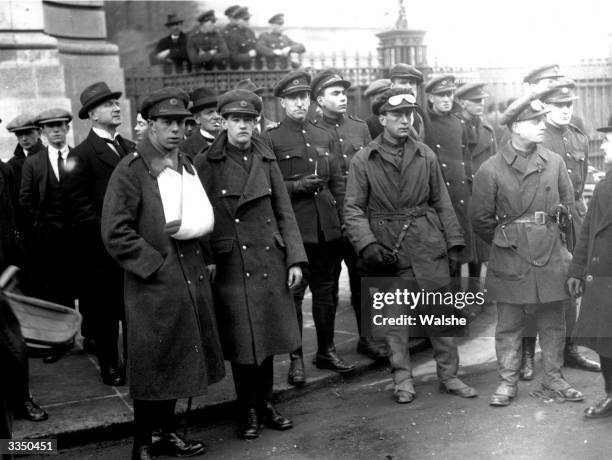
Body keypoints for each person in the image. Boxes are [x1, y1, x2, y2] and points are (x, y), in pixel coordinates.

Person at [102, 87, 225, 459]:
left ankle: (168, 434)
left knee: (179, 361)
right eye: (167, 123)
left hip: (188, 279)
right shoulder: (131, 169)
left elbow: (195, 218)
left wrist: (205, 259)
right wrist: (155, 265)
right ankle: (142, 443)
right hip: (152, 286)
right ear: (150, 125)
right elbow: (115, 231)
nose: (176, 129)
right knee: (152, 365)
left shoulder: (185, 163)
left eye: (181, 123)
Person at [344, 87, 477, 403]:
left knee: (440, 314)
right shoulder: (364, 159)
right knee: (395, 319)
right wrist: (368, 245)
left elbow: (441, 201)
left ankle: (450, 376)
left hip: (428, 241)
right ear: (382, 118)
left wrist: (454, 243)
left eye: (409, 114)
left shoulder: (425, 154)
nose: (405, 120)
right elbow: (352, 208)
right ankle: (402, 379)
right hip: (389, 247)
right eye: (397, 115)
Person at [196, 89, 307, 440]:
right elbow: (200, 216)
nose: (243, 126)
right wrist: (209, 258)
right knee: (244, 342)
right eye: (236, 120)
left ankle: (267, 403)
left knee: (270, 333)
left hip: (269, 258)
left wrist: (295, 259)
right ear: (223, 122)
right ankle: (246, 409)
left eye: (249, 120)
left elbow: (284, 211)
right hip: (232, 263)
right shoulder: (206, 162)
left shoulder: (265, 156)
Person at [471, 92, 583, 407]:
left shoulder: (555, 162)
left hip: (550, 250)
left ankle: (555, 378)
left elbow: (569, 207)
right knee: (508, 323)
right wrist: (508, 238)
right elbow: (480, 220)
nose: (541, 126)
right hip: (511, 254)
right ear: (517, 127)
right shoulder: (491, 169)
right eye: (534, 121)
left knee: (553, 320)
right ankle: (507, 382)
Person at [263, 71, 353, 384]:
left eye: (304, 97)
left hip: (327, 228)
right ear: (283, 103)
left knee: (326, 293)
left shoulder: (322, 135)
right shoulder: (271, 139)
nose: (300, 103)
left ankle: (326, 350)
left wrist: (342, 221)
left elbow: (338, 182)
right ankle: (296, 358)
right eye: (293, 98)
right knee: (294, 296)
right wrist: (296, 185)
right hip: (297, 232)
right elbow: (268, 189)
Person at [520, 79, 600, 378]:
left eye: (569, 105)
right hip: (543, 222)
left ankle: (569, 350)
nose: (566, 110)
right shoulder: (536, 138)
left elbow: (578, 188)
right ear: (545, 106)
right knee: (533, 288)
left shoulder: (579, 137)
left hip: (574, 219)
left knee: (571, 284)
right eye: (559, 105)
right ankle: (527, 355)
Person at [64, 81, 135, 387]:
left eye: (116, 103)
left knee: (134, 310)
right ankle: (110, 365)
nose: (116, 107)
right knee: (106, 313)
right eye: (108, 105)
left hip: (135, 247)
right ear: (92, 114)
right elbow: (79, 210)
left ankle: (136, 364)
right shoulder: (80, 155)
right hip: (102, 251)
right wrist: (113, 236)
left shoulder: (130, 148)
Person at [309, 69, 383, 359]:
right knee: (325, 287)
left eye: (344, 93)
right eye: (335, 94)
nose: (342, 98)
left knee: (362, 280)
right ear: (319, 100)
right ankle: (325, 349)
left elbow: (370, 175)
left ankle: (367, 339)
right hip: (327, 223)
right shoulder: (310, 130)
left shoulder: (359, 128)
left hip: (358, 220)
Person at [568, 124, 612, 418]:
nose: (605, 147)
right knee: (605, 341)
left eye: (610, 141)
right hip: (602, 276)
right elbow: (587, 231)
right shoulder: (604, 184)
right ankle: (611, 394)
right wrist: (577, 269)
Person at [20, 109, 76, 315]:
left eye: (60, 126)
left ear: (67, 128)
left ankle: (89, 334)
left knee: (84, 283)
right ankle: (63, 335)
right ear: (43, 132)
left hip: (78, 233)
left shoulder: (79, 156)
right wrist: (39, 224)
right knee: (57, 286)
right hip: (49, 236)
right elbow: (25, 199)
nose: (56, 131)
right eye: (50, 128)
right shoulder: (33, 162)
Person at [424, 75, 473, 288]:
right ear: (431, 97)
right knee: (439, 258)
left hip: (459, 199)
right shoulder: (424, 122)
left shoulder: (458, 123)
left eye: (449, 94)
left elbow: (465, 158)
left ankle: (456, 305)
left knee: (458, 255)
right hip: (437, 198)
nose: (446, 99)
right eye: (441, 95)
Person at [454, 82, 497, 311]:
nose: (480, 105)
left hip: (481, 191)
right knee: (463, 243)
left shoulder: (487, 130)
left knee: (480, 244)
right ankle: (460, 293)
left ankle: (473, 291)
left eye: (482, 100)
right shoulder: (455, 127)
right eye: (475, 101)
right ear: (461, 102)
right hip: (461, 192)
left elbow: (495, 160)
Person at [389, 63, 427, 141]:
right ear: (392, 87)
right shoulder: (380, 118)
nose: (409, 87)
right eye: (403, 83)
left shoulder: (421, 114)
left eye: (412, 83)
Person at [180, 86, 220, 159]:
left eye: (218, 112)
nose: (217, 116)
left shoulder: (232, 142)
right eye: (210, 112)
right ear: (197, 119)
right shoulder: (184, 149)